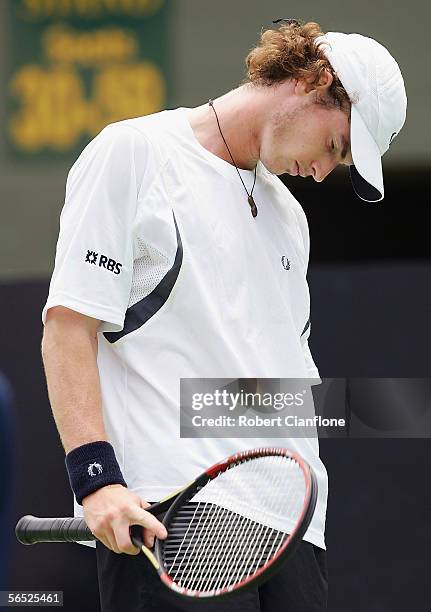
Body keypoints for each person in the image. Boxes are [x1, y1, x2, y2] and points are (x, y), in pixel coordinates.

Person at [41, 19, 406, 612]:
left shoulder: (292, 219)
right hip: (178, 516)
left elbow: (272, 388)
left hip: (295, 535)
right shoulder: (133, 153)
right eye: (335, 147)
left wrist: (380, 406)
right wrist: (96, 479)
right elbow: (67, 330)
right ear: (316, 81)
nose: (321, 171)